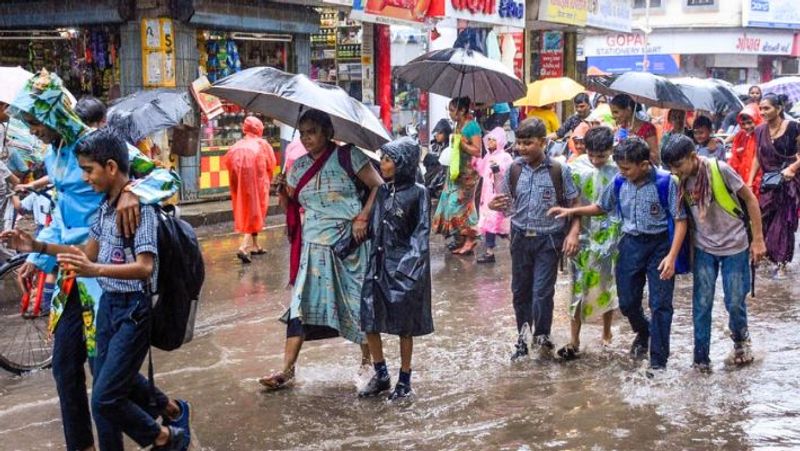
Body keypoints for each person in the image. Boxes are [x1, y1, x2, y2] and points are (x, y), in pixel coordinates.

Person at [9, 69, 186, 451]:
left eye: (35, 121)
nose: (32, 130)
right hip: (72, 267)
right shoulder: (54, 154)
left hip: (105, 274)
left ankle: (144, 430)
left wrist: (133, 194)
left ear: (54, 114)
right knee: (64, 367)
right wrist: (37, 256)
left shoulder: (98, 145)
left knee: (102, 374)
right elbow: (61, 215)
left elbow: (168, 179)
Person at [259, 109, 383, 390]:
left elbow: (378, 187)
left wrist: (363, 216)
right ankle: (287, 370)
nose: (306, 138)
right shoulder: (298, 167)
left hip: (349, 245)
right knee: (300, 306)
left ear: (328, 132)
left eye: (312, 132)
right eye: (302, 133)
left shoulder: (349, 156)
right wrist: (280, 190)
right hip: (313, 248)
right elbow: (289, 205)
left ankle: (369, 365)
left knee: (357, 305)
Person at [550, 137, 687, 373]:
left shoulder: (666, 182)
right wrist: (572, 211)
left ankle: (658, 363)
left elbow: (680, 220)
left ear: (644, 165)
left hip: (660, 246)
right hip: (630, 244)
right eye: (620, 168)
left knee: (660, 304)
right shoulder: (620, 181)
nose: (622, 173)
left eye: (626, 168)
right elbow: (601, 207)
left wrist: (672, 257)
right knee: (627, 302)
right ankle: (644, 331)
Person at [661, 134, 766, 372]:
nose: (675, 171)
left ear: (692, 157)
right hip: (703, 248)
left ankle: (740, 341)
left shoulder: (721, 170)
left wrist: (758, 240)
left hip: (735, 246)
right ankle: (701, 359)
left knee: (734, 300)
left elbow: (750, 200)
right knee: (701, 304)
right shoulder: (678, 180)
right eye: (670, 167)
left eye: (678, 165)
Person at [487, 117, 581, 361]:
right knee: (520, 292)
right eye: (518, 143)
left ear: (542, 142)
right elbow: (505, 204)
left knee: (542, 292)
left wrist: (572, 232)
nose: (521, 148)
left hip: (549, 239)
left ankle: (542, 336)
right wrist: (493, 204)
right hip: (519, 237)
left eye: (527, 143)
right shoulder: (514, 169)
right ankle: (522, 338)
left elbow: (574, 204)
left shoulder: (560, 170)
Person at [359, 137, 433, 400]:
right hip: (378, 265)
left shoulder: (419, 193)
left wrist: (408, 269)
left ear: (402, 163)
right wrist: (342, 245)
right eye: (382, 158)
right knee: (369, 318)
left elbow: (421, 233)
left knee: (405, 326)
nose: (382, 164)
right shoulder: (381, 192)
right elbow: (371, 229)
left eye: (388, 159)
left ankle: (404, 378)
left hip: (405, 271)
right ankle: (381, 374)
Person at [555, 127, 620, 360]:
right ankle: (574, 339)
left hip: (610, 235)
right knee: (577, 286)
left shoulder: (619, 170)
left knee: (607, 283)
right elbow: (572, 202)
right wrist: (572, 232)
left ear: (611, 151)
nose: (595, 160)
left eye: (601, 156)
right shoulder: (575, 168)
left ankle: (606, 333)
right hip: (581, 235)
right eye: (592, 155)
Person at [751, 94, 800, 275]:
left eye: (767, 108)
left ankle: (781, 264)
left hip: (788, 184)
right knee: (763, 220)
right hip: (768, 184)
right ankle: (764, 259)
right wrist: (749, 182)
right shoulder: (759, 131)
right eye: (761, 108)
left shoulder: (794, 128)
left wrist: (793, 168)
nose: (763, 112)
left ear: (778, 109)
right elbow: (758, 157)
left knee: (782, 224)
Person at [432, 97, 482, 255]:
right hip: (455, 172)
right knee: (452, 204)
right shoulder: (458, 125)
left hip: (468, 174)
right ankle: (463, 240)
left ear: (462, 110)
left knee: (457, 205)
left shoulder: (472, 126)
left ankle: (471, 237)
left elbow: (477, 151)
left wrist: (463, 144)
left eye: (453, 110)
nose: (451, 114)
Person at [224, 116, 277, 263]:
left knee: (247, 210)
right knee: (255, 212)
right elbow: (271, 163)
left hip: (239, 184)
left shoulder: (237, 145)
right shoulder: (262, 144)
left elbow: (227, 162)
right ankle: (244, 246)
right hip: (258, 184)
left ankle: (255, 245)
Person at [475, 127, 513, 264]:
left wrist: (497, 169)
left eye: (493, 140)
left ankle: (491, 252)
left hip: (498, 194)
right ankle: (490, 251)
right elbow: (481, 170)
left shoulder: (505, 157)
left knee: (496, 223)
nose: (490, 142)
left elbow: (507, 174)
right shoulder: (488, 156)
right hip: (487, 196)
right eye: (489, 139)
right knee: (491, 223)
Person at [609, 94, 659, 165]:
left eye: (616, 112)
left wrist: (636, 146)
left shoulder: (648, 128)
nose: (613, 116)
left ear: (628, 110)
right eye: (612, 112)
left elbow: (656, 158)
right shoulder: (620, 128)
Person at [729, 103, 763, 197]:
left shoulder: (764, 135)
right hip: (743, 183)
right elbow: (734, 159)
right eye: (743, 124)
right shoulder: (741, 136)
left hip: (760, 183)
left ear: (757, 119)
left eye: (749, 122)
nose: (747, 126)